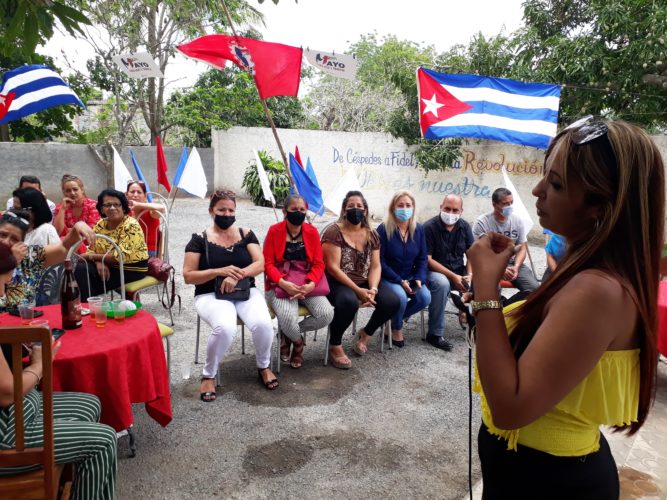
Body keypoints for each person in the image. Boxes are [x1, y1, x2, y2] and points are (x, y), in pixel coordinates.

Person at [467, 118, 663, 498]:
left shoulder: (596, 290)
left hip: (551, 483)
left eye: (556, 184)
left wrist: (486, 288)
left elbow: (511, 407)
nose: (537, 190)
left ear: (599, 205)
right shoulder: (582, 270)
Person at [1, 241, 117, 499]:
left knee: (90, 403)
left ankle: (72, 483)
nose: (5, 290)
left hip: (19, 410)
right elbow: (7, 393)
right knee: (104, 441)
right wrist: (40, 364)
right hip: (7, 429)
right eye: (3, 282)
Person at [183, 190, 277, 401]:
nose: (226, 214)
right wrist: (219, 271)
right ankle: (208, 375)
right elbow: (188, 276)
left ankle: (263, 366)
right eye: (221, 210)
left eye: (231, 210)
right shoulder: (199, 239)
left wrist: (237, 275)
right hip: (210, 294)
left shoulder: (246, 233)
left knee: (264, 324)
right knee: (225, 328)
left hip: (244, 290)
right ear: (211, 211)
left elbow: (260, 264)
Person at [321, 190, 400, 368]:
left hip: (364, 280)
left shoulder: (372, 234)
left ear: (365, 210)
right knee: (348, 302)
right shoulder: (334, 232)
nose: (355, 209)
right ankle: (335, 344)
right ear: (343, 210)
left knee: (392, 301)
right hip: (338, 281)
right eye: (351, 206)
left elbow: (375, 266)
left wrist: (373, 289)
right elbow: (333, 268)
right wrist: (358, 291)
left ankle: (366, 333)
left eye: (359, 206)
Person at [263, 194, 334, 369]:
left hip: (306, 283)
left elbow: (318, 263)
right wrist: (282, 283)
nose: (299, 212)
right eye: (294, 209)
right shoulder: (274, 231)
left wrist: (311, 284)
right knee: (288, 318)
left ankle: (287, 335)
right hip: (281, 283)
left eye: (302, 209)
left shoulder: (311, 232)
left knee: (326, 314)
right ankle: (298, 342)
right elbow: (267, 263)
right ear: (284, 211)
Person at [0, 210, 96, 311]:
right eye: (2, 235)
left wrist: (78, 226)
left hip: (26, 320)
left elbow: (64, 248)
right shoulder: (14, 259)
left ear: (22, 242)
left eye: (14, 239)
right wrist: (11, 262)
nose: (6, 242)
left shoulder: (29, 257)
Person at [377, 191, 431, 347]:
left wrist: (419, 278)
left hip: (410, 276)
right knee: (400, 297)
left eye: (408, 205)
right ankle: (397, 328)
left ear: (413, 208)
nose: (405, 209)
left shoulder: (418, 229)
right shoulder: (383, 229)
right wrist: (399, 281)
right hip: (388, 277)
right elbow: (379, 261)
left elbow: (422, 258)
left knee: (425, 297)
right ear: (393, 208)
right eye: (400, 205)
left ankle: (391, 320)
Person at [75, 189, 149, 302]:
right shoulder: (101, 224)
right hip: (110, 264)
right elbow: (92, 248)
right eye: (108, 205)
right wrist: (99, 261)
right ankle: (89, 305)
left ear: (123, 207)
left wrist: (92, 257)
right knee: (81, 269)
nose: (112, 208)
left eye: (117, 204)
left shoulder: (131, 225)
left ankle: (88, 306)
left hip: (131, 268)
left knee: (86, 278)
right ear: (102, 209)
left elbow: (120, 256)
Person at [423, 194, 474, 351]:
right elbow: (428, 260)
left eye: (455, 210)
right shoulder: (429, 227)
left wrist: (470, 274)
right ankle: (435, 334)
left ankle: (477, 326)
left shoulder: (464, 227)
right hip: (434, 272)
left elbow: (471, 254)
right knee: (442, 283)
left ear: (461, 211)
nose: (451, 213)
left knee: (483, 282)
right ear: (441, 207)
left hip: (459, 271)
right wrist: (452, 276)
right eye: (447, 208)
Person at [472, 187, 539, 295]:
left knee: (534, 289)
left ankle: (507, 305)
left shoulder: (518, 221)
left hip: (512, 263)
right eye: (505, 204)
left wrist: (516, 267)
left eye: (511, 203)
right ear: (494, 204)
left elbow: (522, 248)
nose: (509, 206)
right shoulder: (482, 222)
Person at [126, 180, 166, 257]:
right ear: (127, 195)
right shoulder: (124, 211)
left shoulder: (150, 211)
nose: (135, 195)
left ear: (145, 196)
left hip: (148, 250)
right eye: (132, 192)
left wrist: (138, 205)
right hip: (126, 249)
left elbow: (162, 208)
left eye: (139, 192)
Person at [53, 174, 99, 239]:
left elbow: (90, 232)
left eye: (75, 189)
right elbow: (57, 232)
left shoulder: (93, 205)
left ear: (82, 190)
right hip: (66, 242)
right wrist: (62, 209)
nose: (72, 193)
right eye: (68, 191)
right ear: (64, 193)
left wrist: (69, 231)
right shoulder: (60, 207)